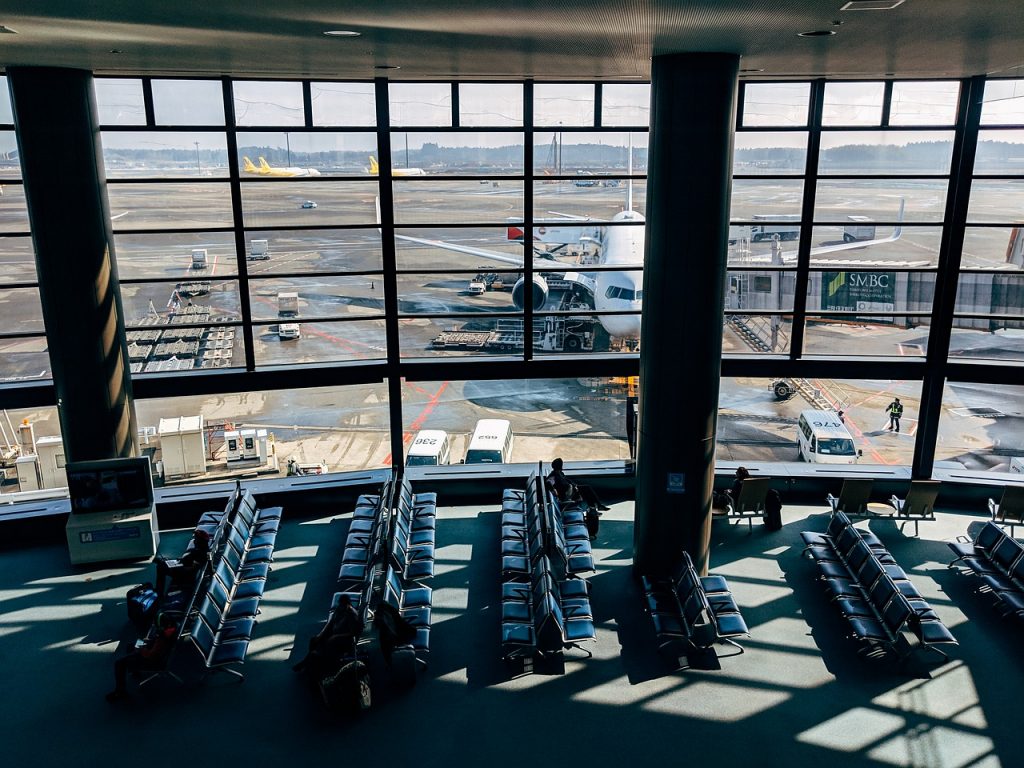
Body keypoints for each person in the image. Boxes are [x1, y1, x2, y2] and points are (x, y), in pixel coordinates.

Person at [106, 612, 178, 701]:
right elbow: (157, 645)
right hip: (157, 654)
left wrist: (141, 649)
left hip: (153, 661)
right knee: (130, 646)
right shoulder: (170, 630)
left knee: (119, 663)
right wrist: (149, 642)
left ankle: (120, 691)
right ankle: (134, 670)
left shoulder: (162, 638)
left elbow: (151, 655)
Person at [293, 595, 364, 677]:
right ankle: (310, 661)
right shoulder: (340, 609)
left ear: (347, 605)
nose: (340, 606)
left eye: (342, 605)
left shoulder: (352, 615)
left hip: (344, 639)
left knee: (329, 643)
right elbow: (330, 623)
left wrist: (336, 636)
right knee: (314, 640)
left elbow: (353, 633)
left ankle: (312, 662)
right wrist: (320, 635)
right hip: (335, 633)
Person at [154, 528, 210, 598]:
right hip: (182, 566)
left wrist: (175, 567)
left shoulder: (201, 554)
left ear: (200, 541)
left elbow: (191, 570)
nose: (194, 541)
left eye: (196, 539)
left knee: (160, 567)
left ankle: (159, 593)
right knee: (163, 563)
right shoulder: (199, 549)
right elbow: (189, 561)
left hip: (185, 576)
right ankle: (158, 591)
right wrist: (175, 561)